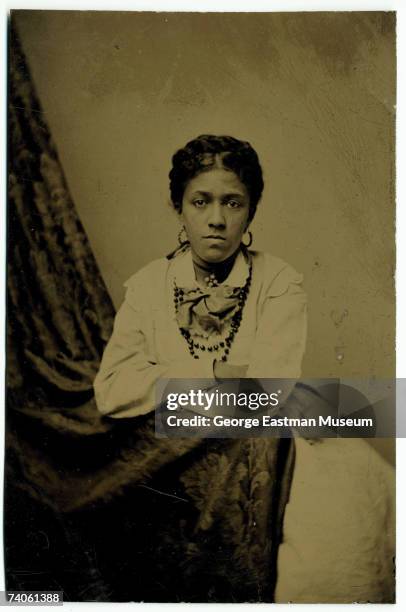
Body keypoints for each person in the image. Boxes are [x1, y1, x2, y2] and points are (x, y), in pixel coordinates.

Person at [94, 135, 394, 603]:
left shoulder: (279, 282)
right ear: (179, 209)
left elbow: (266, 393)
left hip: (265, 444)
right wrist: (213, 369)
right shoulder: (148, 286)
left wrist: (164, 381)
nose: (216, 219)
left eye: (232, 202)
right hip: (175, 456)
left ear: (250, 212)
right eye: (201, 201)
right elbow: (112, 390)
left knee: (323, 533)